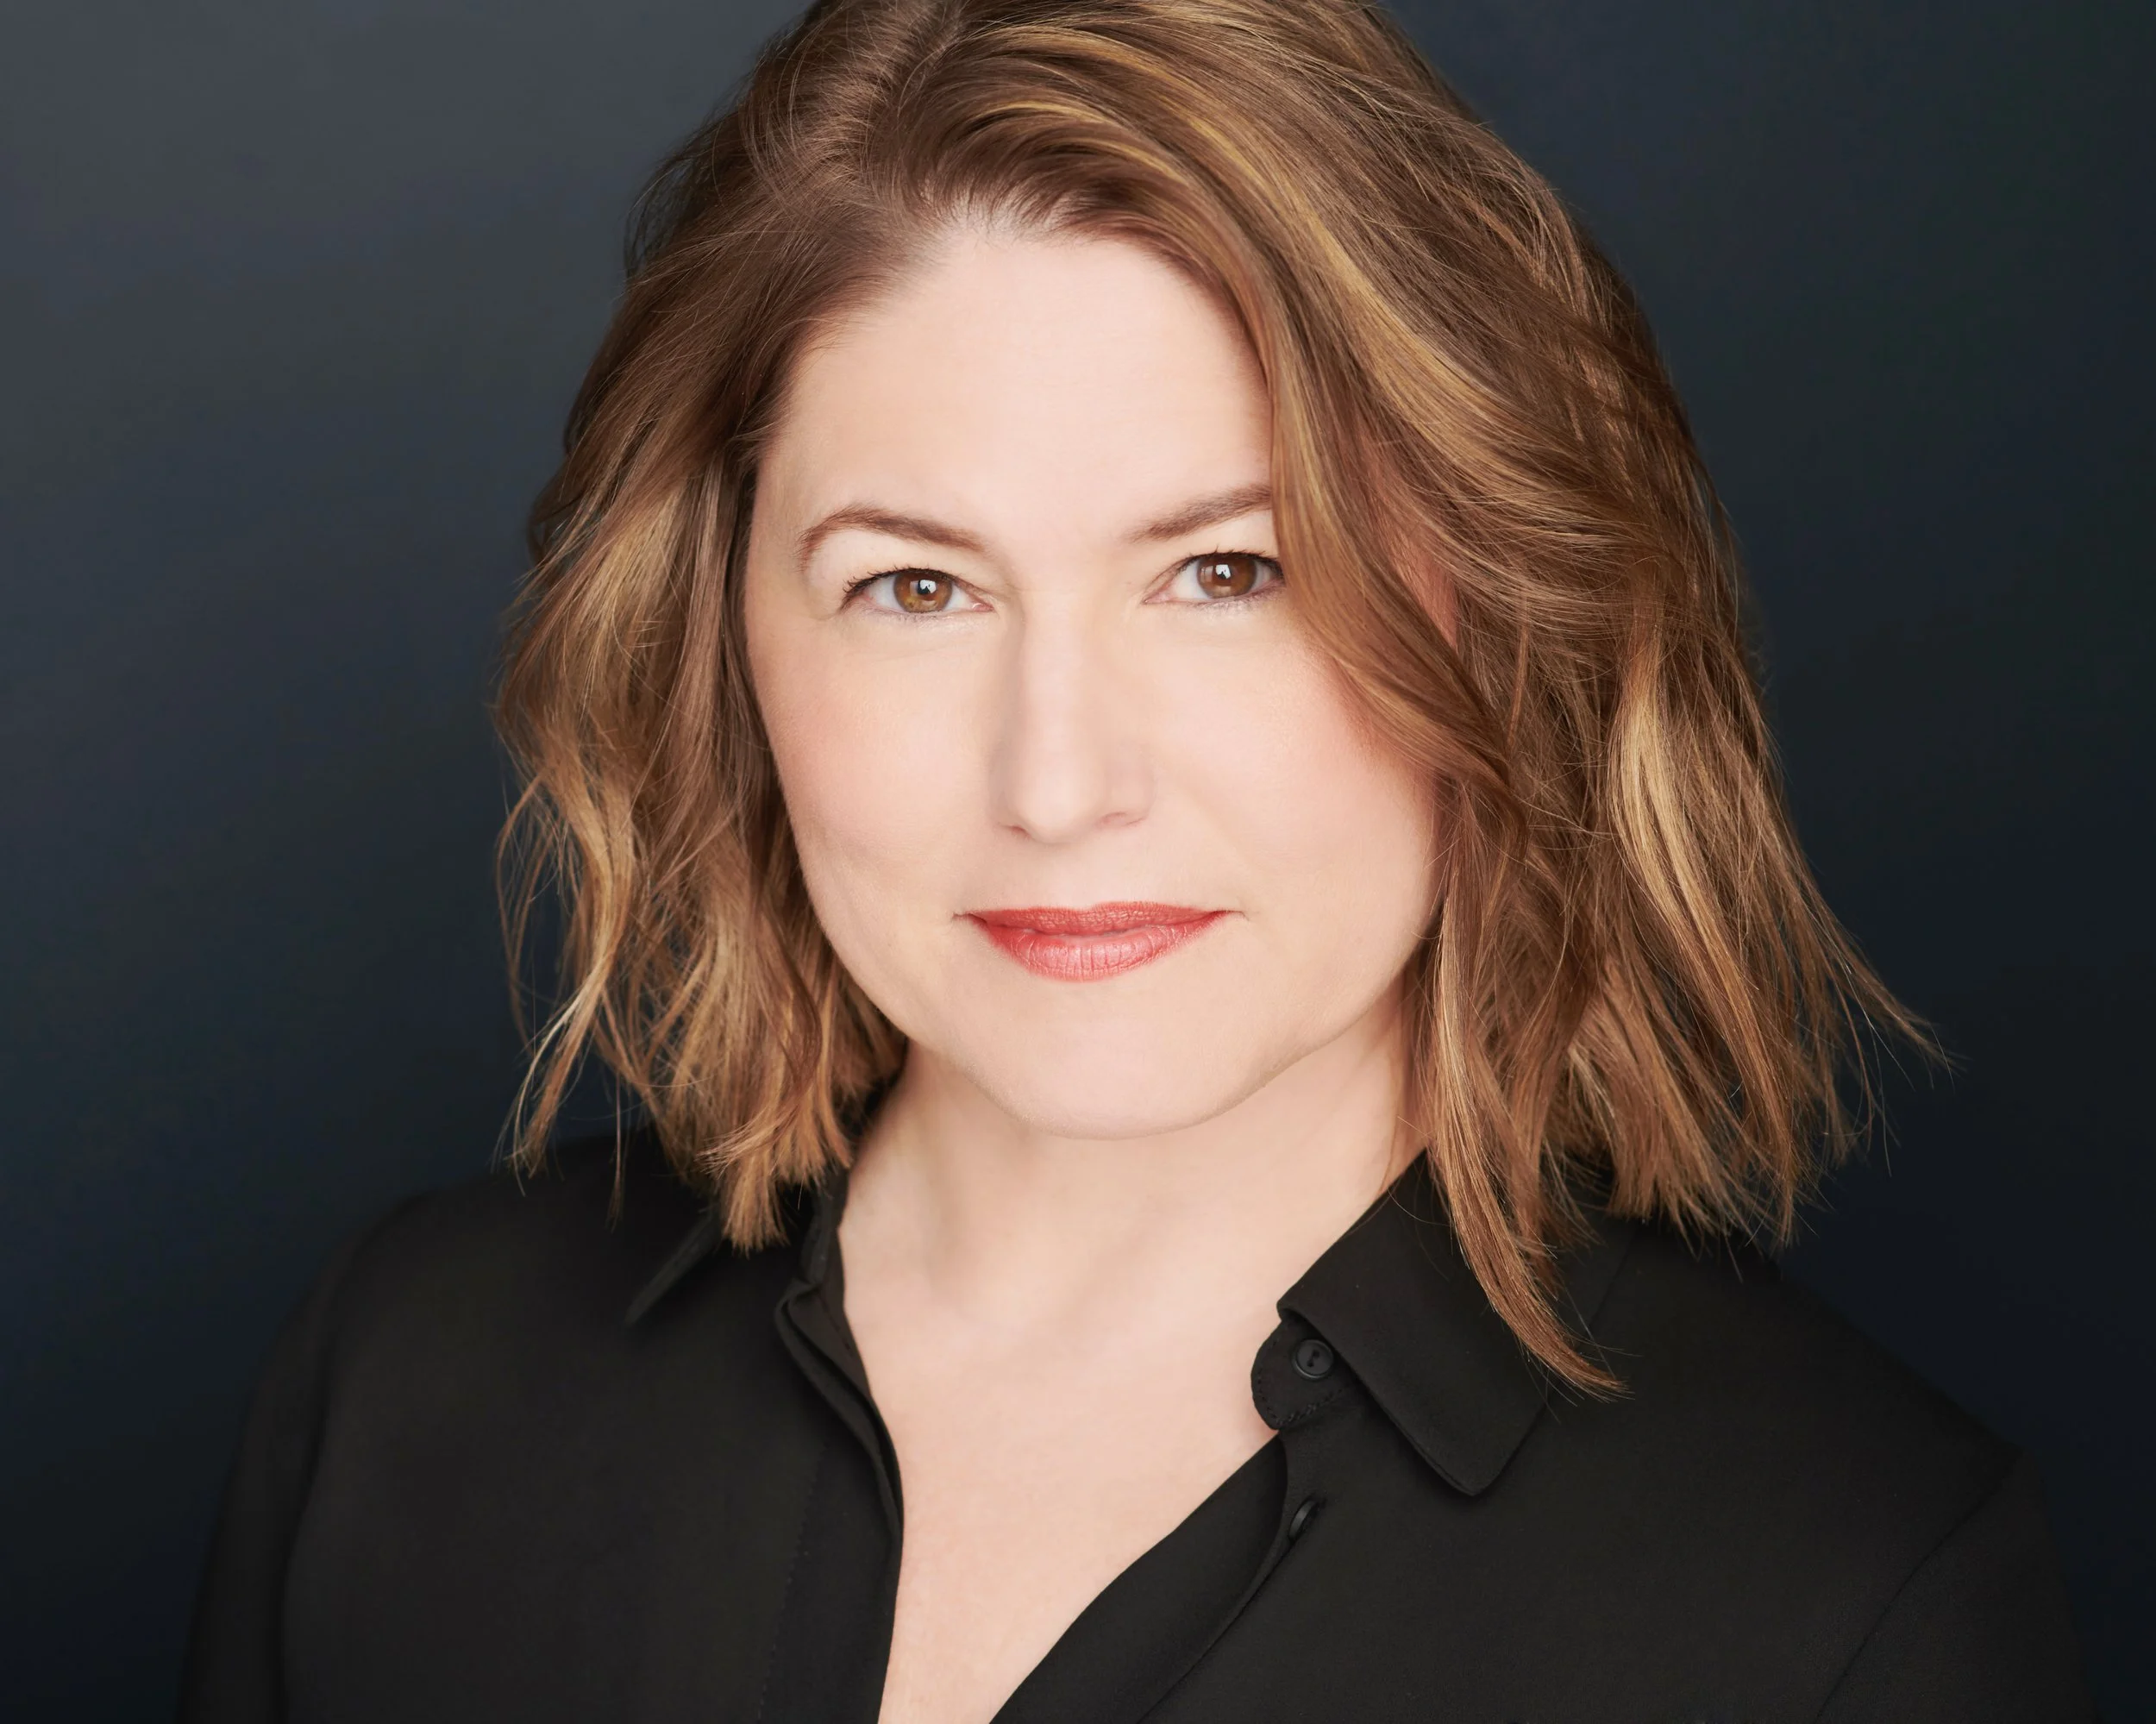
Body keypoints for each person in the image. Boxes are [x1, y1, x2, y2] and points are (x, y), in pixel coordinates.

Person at [177, 0, 2097, 1719]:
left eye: (1227, 573)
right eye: (913, 586)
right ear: (726, 644)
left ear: (1509, 621)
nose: (1059, 779)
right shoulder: (408, 1374)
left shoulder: (1849, 1598)